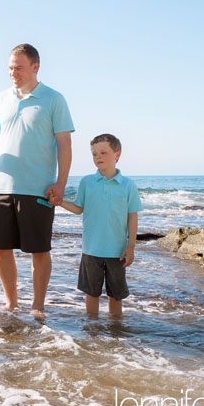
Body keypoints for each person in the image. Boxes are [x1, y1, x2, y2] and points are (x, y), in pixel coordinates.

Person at [0, 44, 73, 318]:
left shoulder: (54, 99)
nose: (13, 73)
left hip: (37, 188)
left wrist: (61, 183)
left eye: (19, 68)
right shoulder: (0, 99)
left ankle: (38, 305)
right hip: (2, 186)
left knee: (39, 250)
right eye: (10, 68)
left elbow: (64, 144)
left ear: (35, 67)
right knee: (0, 249)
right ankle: (11, 302)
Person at [51, 133, 142, 318]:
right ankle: (92, 333)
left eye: (103, 152)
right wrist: (59, 202)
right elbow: (78, 208)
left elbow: (132, 217)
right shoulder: (87, 182)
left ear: (117, 154)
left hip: (117, 251)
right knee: (91, 293)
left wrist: (131, 246)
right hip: (91, 249)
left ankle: (116, 332)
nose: (98, 157)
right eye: (94, 154)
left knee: (116, 296)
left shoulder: (128, 185)